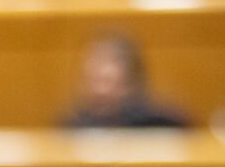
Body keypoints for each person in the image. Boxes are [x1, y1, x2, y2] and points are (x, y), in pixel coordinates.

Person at [59, 31, 188, 129]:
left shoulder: (162, 123)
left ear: (131, 82)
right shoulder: (70, 128)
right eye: (93, 80)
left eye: (106, 81)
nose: (100, 91)